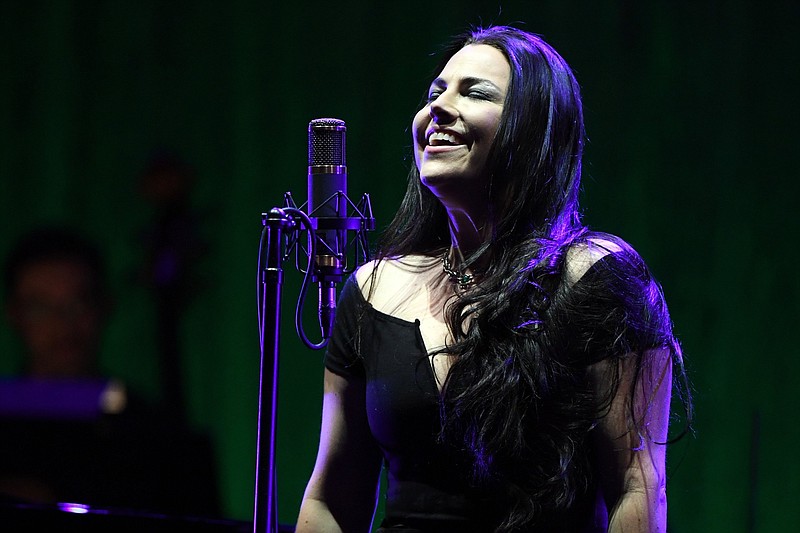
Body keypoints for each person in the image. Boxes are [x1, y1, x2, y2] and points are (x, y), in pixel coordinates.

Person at [296, 26, 691, 533]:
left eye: (474, 92)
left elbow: (637, 488)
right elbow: (330, 499)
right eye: (435, 92)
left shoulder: (597, 279)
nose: (437, 108)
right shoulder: (372, 289)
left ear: (533, 130)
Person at [1, 226, 220, 517]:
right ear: (14, 314)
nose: (64, 323)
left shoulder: (147, 428)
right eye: (41, 306)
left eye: (79, 302)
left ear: (105, 306)